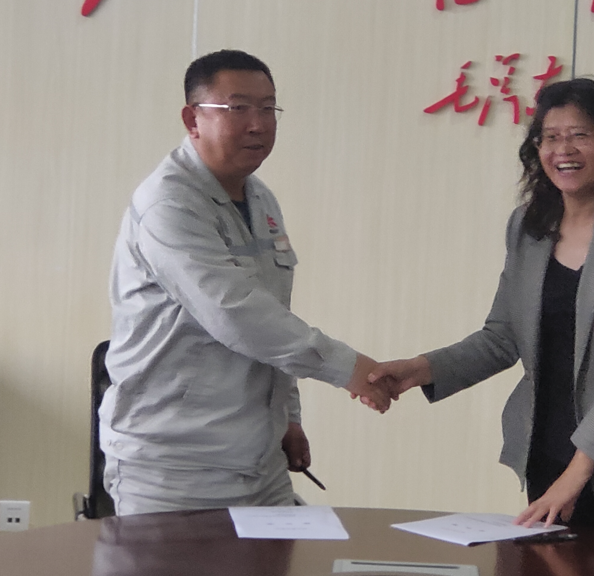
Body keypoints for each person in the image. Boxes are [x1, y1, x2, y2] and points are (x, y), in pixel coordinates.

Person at [368, 78, 594, 542]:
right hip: (550, 450)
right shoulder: (529, 226)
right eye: (550, 137)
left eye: (580, 134)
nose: (563, 149)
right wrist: (419, 369)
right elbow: (502, 336)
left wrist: (578, 472)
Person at [99, 49, 391, 515]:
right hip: (175, 467)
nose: (258, 124)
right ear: (192, 119)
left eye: (268, 108)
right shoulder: (169, 203)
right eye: (238, 108)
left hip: (260, 461)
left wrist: (288, 417)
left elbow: (273, 314)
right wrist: (350, 368)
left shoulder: (259, 198)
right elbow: (235, 313)